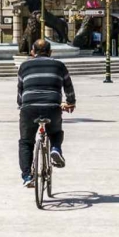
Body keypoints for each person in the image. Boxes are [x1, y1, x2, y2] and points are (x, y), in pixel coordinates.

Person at [17, 38, 76, 187]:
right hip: (52, 106)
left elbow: (20, 91)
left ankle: (27, 177)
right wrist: (70, 102)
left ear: (32, 52)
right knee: (55, 132)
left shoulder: (24, 66)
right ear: (50, 52)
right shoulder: (59, 65)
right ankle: (55, 149)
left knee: (26, 141)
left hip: (29, 108)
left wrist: (21, 106)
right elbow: (68, 87)